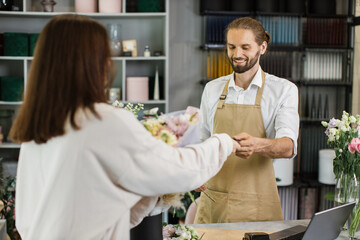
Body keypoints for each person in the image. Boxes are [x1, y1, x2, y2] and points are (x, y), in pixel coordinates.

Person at [9, 14, 242, 240]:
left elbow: (99, 208)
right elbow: (177, 170)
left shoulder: (39, 127)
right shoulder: (102, 121)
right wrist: (222, 143)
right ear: (95, 64)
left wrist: (154, 193)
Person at [194, 17, 299, 224]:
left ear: (262, 47)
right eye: (231, 47)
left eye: (245, 47)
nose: (237, 54)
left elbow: (288, 146)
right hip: (215, 200)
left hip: (258, 204)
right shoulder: (212, 89)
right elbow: (201, 140)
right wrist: (195, 170)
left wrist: (257, 144)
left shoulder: (283, 90)